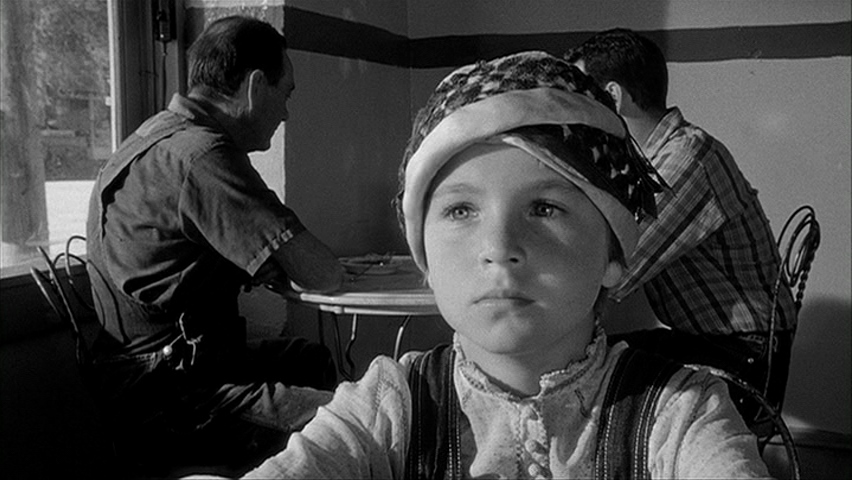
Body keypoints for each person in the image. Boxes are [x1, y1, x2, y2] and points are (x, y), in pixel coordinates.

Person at [241, 51, 770, 479]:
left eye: (544, 208)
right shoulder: (387, 408)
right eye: (460, 210)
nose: (498, 246)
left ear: (613, 256)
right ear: (425, 258)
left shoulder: (680, 415)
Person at [85, 15, 344, 475]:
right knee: (353, 422)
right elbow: (322, 273)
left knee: (311, 359)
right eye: (285, 95)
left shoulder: (152, 138)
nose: (285, 114)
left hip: (135, 377)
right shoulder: (202, 157)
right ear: (256, 87)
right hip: (173, 395)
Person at [566, 28, 798, 423]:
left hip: (741, 356)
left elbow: (615, 269)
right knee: (589, 364)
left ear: (613, 96)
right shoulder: (655, 159)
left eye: (582, 96)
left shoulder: (685, 159)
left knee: (583, 373)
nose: (576, 112)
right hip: (717, 342)